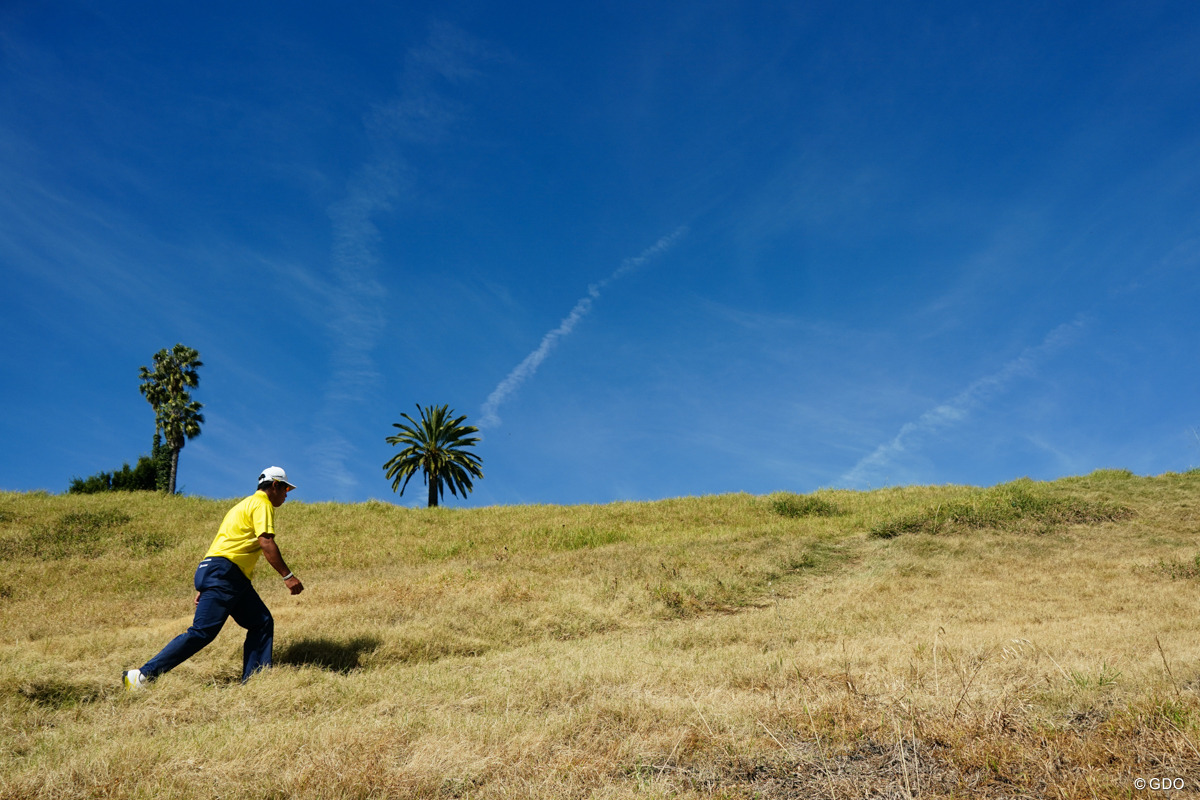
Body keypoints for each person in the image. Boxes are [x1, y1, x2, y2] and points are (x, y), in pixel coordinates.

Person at [123, 467, 304, 689]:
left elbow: (223, 543)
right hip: (226, 574)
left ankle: (255, 683)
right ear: (274, 485)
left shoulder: (242, 506)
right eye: (285, 488)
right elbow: (266, 541)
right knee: (202, 632)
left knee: (261, 622)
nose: (287, 493)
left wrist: (208, 583)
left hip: (220, 573)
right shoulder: (262, 504)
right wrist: (288, 575)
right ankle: (142, 676)